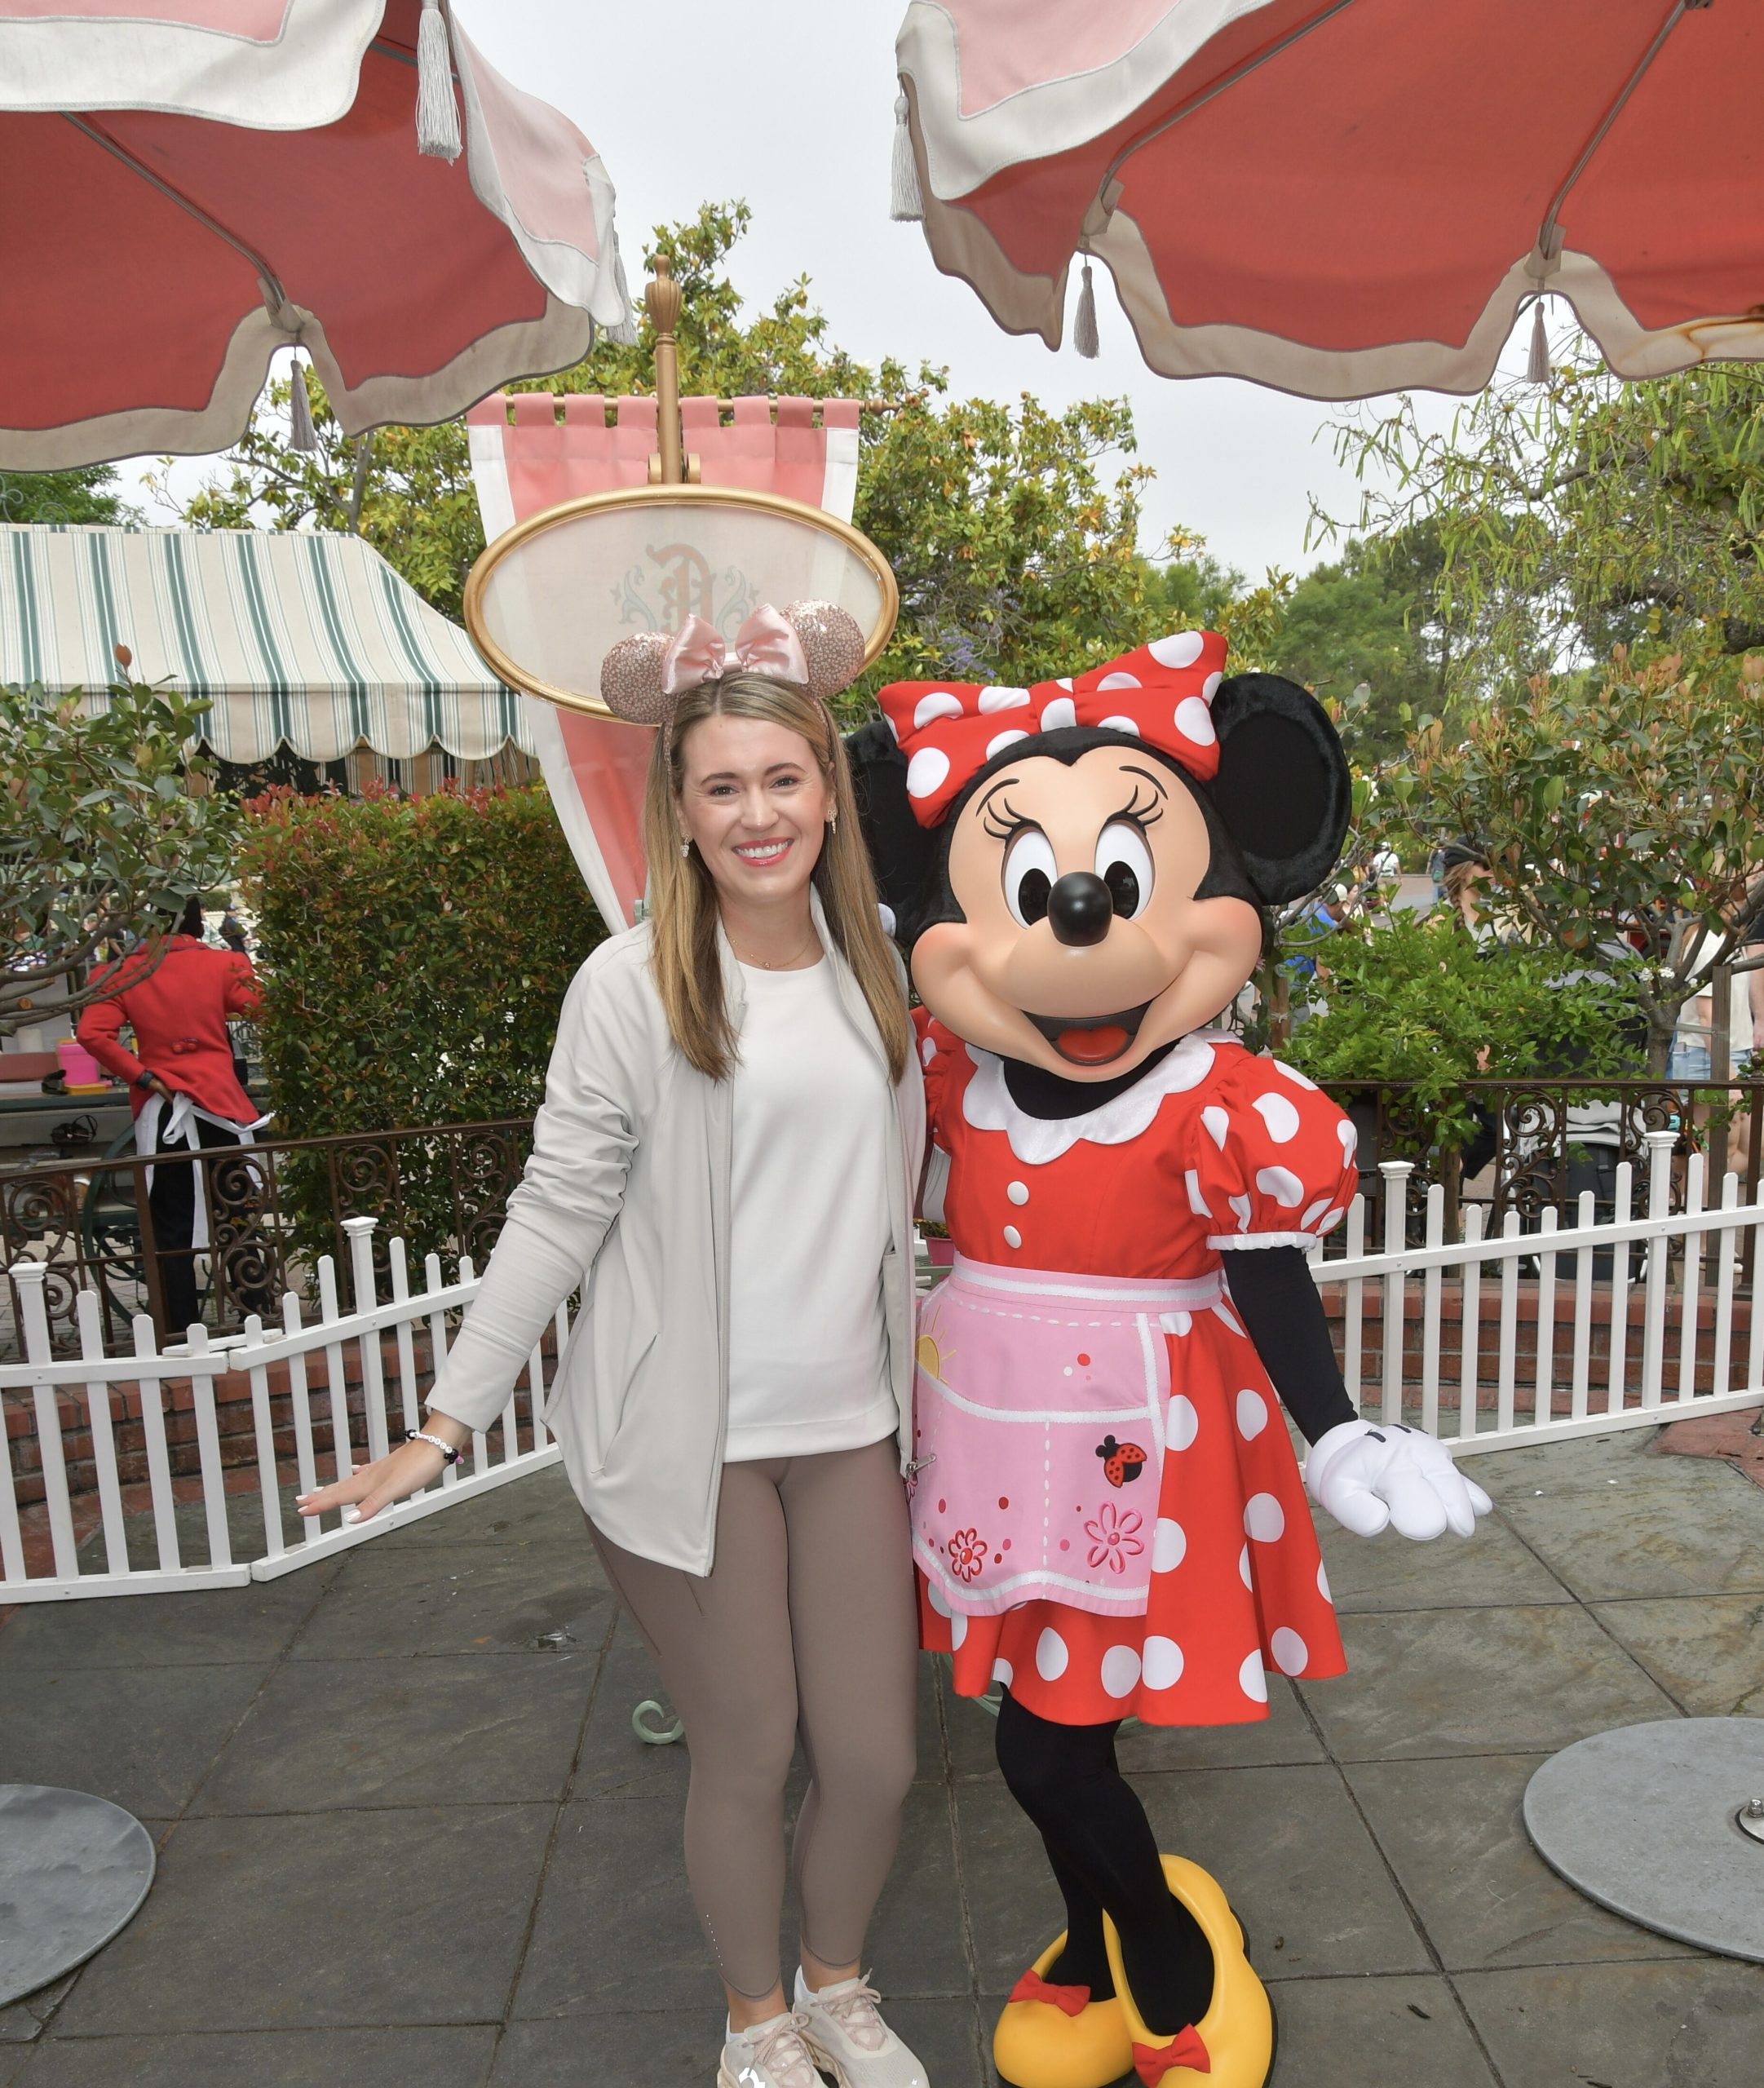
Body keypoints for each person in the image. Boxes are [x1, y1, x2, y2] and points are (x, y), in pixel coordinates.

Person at [296, 604, 931, 2088]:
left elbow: (911, 1176)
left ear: (827, 793)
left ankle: (835, 1985)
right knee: (751, 1746)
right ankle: (754, 2025)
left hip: (847, 1428)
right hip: (680, 1439)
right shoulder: (632, 984)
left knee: (878, 1758)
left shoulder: (878, 965)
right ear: (682, 811)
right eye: (723, 786)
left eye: (782, 779)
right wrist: (443, 1425)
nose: (757, 813)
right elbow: (555, 1209)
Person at [850, 632, 1492, 2088]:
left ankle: (1170, 1955)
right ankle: (1093, 1946)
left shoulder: (1221, 1102)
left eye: (1120, 882)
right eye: (1026, 890)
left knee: (1044, 1750)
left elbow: (1264, 1270)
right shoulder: (950, 1079)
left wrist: (1337, 1429)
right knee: (1042, 1726)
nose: (1077, 923)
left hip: (1144, 1458)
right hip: (992, 1450)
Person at [77, 895, 267, 1338]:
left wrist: (142, 1075)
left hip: (164, 1109)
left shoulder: (123, 972)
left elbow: (90, 1033)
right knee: (236, 1213)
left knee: (171, 1224)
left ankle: (180, 1331)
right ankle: (257, 1314)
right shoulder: (223, 964)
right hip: (220, 1105)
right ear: (197, 921)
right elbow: (263, 1009)